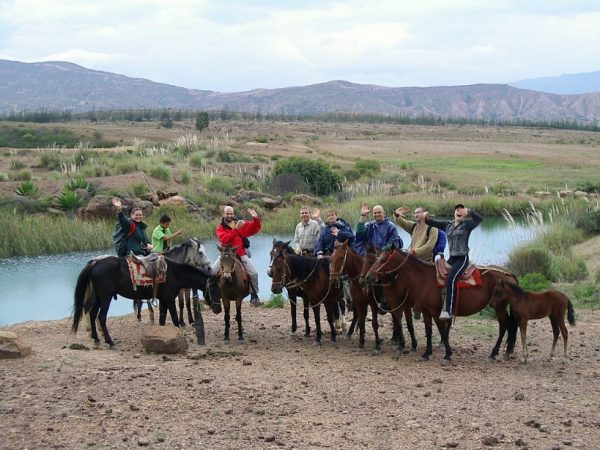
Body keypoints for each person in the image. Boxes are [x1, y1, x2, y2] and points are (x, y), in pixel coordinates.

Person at [424, 204, 483, 320]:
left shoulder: (467, 225)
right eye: (457, 210)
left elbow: (479, 219)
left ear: (464, 213)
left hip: (462, 258)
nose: (459, 211)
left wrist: (470, 211)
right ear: (454, 213)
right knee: (435, 273)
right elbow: (432, 222)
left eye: (461, 210)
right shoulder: (448, 225)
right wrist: (426, 217)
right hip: (451, 258)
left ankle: (448, 310)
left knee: (451, 279)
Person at [355, 203, 402, 314]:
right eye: (375, 213)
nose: (377, 214)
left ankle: (386, 301)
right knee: (358, 271)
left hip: (385, 257)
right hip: (371, 257)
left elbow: (394, 240)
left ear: (383, 213)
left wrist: (382, 252)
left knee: (387, 274)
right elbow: (360, 233)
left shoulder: (390, 226)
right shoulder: (369, 225)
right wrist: (362, 216)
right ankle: (358, 299)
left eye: (379, 212)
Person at [211, 206, 262, 306]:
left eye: (231, 214)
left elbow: (253, 229)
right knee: (211, 272)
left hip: (240, 254)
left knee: (254, 273)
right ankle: (211, 296)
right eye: (227, 214)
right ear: (224, 214)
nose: (229, 216)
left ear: (233, 214)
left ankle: (254, 296)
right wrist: (235, 229)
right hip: (226, 255)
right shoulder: (220, 228)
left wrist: (256, 219)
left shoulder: (239, 223)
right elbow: (225, 239)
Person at [314, 208, 355, 307]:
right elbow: (320, 243)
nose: (330, 217)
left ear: (336, 216)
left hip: (341, 257)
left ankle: (349, 300)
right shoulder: (325, 229)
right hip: (328, 256)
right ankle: (323, 295)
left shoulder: (344, 226)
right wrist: (319, 253)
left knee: (344, 277)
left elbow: (351, 237)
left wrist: (339, 234)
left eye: (332, 214)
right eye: (328, 215)